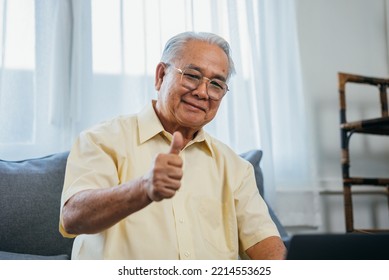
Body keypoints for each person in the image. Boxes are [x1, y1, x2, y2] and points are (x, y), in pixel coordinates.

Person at [59, 31, 286, 260]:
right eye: (192, 75)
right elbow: (73, 218)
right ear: (160, 75)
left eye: (216, 84)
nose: (202, 92)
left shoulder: (236, 168)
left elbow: (266, 246)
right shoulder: (102, 140)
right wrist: (143, 188)